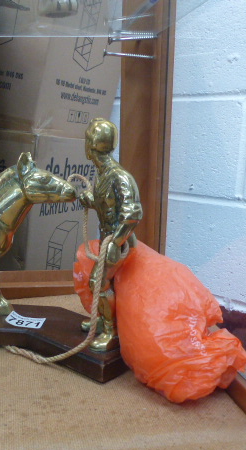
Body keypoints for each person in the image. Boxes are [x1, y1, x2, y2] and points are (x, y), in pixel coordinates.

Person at [78, 118, 142, 351]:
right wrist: (91, 200)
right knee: (104, 282)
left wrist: (116, 241)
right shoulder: (103, 174)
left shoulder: (119, 176)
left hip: (119, 242)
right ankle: (102, 322)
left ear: (91, 146)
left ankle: (111, 332)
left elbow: (133, 213)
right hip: (108, 239)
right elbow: (108, 205)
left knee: (98, 281)